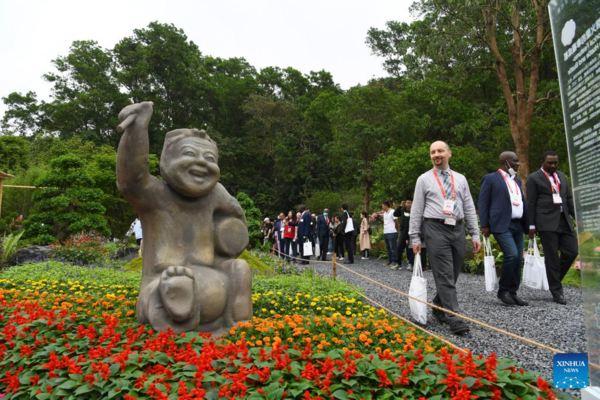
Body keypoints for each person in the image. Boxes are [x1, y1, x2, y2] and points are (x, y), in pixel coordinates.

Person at [409, 141, 481, 335]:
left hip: (457, 228)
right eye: (433, 152)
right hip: (434, 228)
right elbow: (416, 209)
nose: (436, 154)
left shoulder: (460, 179)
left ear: (449, 153)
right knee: (445, 273)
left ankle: (439, 305)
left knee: (454, 271)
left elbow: (468, 207)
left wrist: (475, 233)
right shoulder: (424, 179)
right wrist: (415, 236)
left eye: (440, 151)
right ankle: (454, 317)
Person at [526, 151, 577, 305]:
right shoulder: (534, 178)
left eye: (555, 162)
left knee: (572, 251)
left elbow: (567, 198)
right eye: (550, 163)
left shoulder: (561, 176)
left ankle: (553, 280)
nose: (553, 165)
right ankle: (557, 291)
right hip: (546, 222)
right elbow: (532, 203)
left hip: (564, 220)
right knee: (552, 257)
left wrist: (577, 217)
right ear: (542, 162)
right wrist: (532, 225)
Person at [479, 151, 529, 306]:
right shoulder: (491, 179)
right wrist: (485, 224)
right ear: (505, 162)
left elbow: (522, 202)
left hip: (517, 225)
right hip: (501, 224)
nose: (518, 164)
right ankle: (503, 291)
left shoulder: (516, 181)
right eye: (515, 161)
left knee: (519, 259)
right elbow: (483, 202)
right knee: (512, 255)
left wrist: (529, 225)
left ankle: (513, 292)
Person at [394, 197, 414, 270]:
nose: (409, 204)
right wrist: (400, 206)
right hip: (403, 231)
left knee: (410, 248)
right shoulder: (402, 210)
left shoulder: (414, 211)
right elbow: (395, 214)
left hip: (411, 232)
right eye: (407, 202)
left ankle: (410, 264)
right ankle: (398, 263)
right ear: (405, 203)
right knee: (399, 247)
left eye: (410, 202)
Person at [382, 201, 399, 269]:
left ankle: (394, 261)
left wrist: (396, 230)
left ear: (386, 206)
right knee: (388, 247)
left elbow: (396, 222)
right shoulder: (384, 213)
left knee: (393, 247)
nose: (382, 207)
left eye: (382, 206)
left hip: (392, 232)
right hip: (386, 232)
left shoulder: (393, 212)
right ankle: (390, 260)